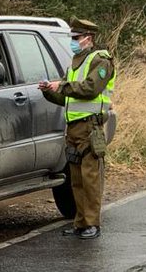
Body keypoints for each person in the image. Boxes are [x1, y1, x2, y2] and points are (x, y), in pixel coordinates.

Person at [39, 18, 115, 239]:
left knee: (90, 178)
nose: (73, 41)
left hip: (90, 127)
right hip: (73, 128)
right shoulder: (75, 63)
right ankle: (80, 222)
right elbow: (67, 97)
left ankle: (92, 223)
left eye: (76, 37)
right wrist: (48, 90)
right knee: (77, 179)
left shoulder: (101, 61)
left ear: (87, 38)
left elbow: (90, 89)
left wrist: (61, 86)